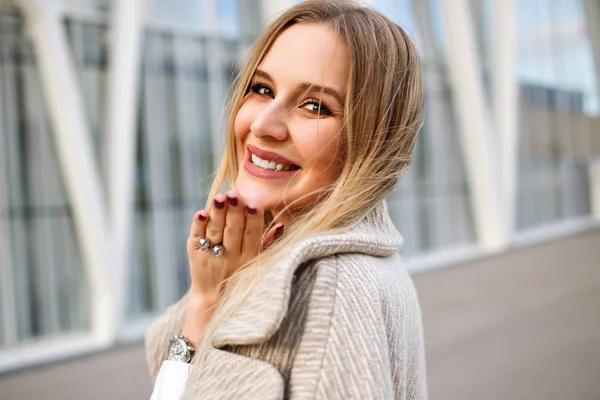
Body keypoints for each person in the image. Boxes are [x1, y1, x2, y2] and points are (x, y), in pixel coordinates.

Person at [145, 1, 427, 398]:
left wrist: (205, 313)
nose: (264, 125)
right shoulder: (310, 263)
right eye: (262, 89)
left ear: (373, 141)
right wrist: (208, 298)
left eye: (316, 106)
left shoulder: (331, 291)